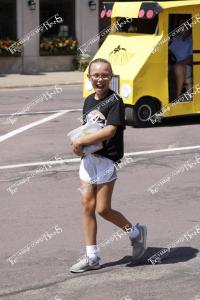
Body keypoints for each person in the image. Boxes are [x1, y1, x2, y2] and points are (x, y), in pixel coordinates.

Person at [69, 58, 147, 273]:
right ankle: (92, 256)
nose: (100, 79)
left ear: (111, 77)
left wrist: (81, 142)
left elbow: (110, 130)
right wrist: (78, 147)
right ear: (89, 78)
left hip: (106, 161)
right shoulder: (88, 101)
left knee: (103, 209)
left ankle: (135, 233)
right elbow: (88, 131)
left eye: (105, 75)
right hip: (89, 161)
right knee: (87, 205)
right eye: (96, 75)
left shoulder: (115, 101)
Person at [169, 19, 193, 97]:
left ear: (189, 27)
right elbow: (169, 51)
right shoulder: (175, 39)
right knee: (163, 67)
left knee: (178, 67)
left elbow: (192, 58)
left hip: (186, 66)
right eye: (181, 27)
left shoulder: (193, 39)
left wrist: (179, 64)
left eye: (184, 26)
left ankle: (178, 95)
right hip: (173, 64)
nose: (182, 28)